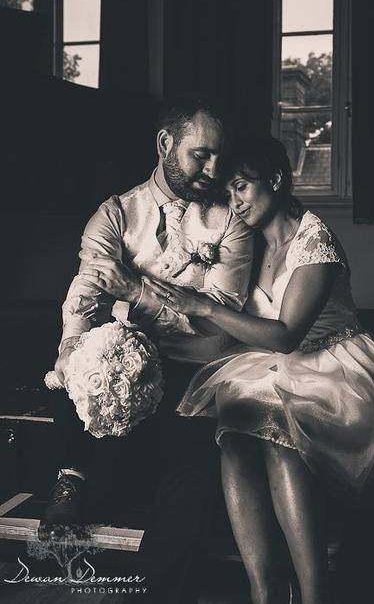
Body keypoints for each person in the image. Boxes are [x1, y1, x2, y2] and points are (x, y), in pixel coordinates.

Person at [146, 135, 374, 604]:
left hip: (336, 368)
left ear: (277, 180)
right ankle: (263, 589)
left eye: (241, 186)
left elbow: (286, 334)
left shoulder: (314, 238)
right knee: (236, 431)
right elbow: (232, 337)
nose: (234, 202)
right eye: (227, 193)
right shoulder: (245, 248)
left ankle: (314, 593)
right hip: (270, 364)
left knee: (279, 434)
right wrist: (156, 348)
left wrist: (203, 305)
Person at [42, 94, 253, 604]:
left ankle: (151, 595)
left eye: (220, 156)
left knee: (195, 475)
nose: (214, 168)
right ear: (165, 144)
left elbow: (218, 316)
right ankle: (71, 480)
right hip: (127, 366)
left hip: (198, 376)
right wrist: (72, 346)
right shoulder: (115, 213)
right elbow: (87, 291)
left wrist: (137, 292)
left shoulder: (232, 221)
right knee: (80, 357)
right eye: (200, 154)